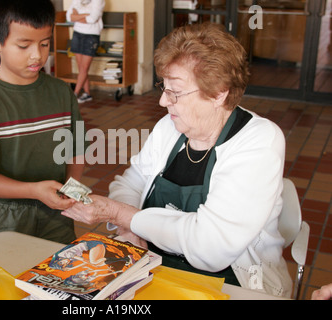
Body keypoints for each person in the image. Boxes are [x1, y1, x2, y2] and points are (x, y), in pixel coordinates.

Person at [62, 22, 293, 297]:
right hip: (155, 265)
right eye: (164, 87)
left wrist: (123, 215)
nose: (162, 101)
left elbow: (211, 248)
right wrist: (131, 230)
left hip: (234, 281)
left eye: (175, 91)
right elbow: (132, 182)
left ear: (219, 92)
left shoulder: (260, 142)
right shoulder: (169, 127)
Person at [0, 0, 86, 244]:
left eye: (44, 43)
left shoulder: (61, 93)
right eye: (23, 45)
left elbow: (76, 150)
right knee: (8, 278)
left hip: (55, 213)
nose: (37, 55)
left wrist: (72, 189)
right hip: (4, 216)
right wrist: (33, 191)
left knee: (58, 273)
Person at [66, 0, 105, 103]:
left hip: (91, 36)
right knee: (81, 68)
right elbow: (69, 17)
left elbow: (92, 19)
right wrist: (85, 16)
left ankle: (74, 94)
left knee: (84, 68)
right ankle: (87, 94)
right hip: (77, 34)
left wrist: (77, 16)